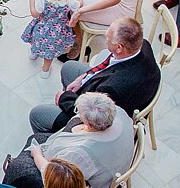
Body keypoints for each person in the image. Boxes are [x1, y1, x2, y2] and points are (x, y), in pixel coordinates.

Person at [30, 18, 160, 136]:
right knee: (68, 68)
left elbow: (91, 115)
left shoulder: (114, 88)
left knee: (36, 115)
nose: (106, 38)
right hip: (103, 84)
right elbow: (109, 63)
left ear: (119, 47)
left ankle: (53, 137)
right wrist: (82, 78)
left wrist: (64, 99)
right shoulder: (142, 45)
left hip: (93, 118)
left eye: (108, 37)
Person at [5, 92, 136, 188]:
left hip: (73, 185)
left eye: (79, 112)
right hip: (109, 163)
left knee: (18, 170)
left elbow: (54, 175)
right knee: (36, 138)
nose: (77, 114)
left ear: (90, 124)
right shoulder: (119, 112)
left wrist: (37, 155)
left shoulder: (81, 154)